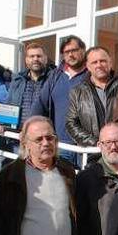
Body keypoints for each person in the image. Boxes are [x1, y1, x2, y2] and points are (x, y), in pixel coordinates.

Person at [32, 35, 89, 165]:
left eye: (74, 50)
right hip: (60, 145)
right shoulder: (56, 76)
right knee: (61, 183)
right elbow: (40, 103)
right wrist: (28, 128)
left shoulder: (91, 75)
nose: (71, 55)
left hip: (84, 147)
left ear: (83, 50)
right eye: (66, 52)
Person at [66, 46, 118, 147]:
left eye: (103, 61)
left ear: (110, 63)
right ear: (87, 66)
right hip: (92, 153)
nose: (99, 65)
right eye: (94, 62)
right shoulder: (77, 92)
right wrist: (95, 143)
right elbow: (71, 123)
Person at [7, 43, 53, 124]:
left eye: (39, 56)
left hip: (43, 132)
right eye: (31, 56)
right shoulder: (17, 81)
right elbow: (8, 106)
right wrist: (2, 124)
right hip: (19, 133)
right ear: (26, 60)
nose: (35, 59)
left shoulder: (54, 80)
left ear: (45, 59)